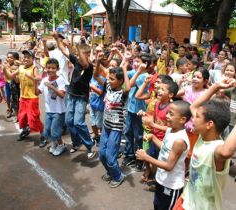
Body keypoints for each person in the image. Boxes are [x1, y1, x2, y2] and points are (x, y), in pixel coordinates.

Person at [173, 78, 236, 210]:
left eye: (197, 117)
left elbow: (226, 152)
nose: (192, 118)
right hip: (186, 200)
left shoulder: (216, 149)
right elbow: (193, 106)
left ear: (209, 125)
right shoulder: (202, 136)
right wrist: (216, 86)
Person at [136, 100, 191, 210]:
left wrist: (146, 157)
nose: (167, 116)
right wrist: (153, 137)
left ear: (182, 119)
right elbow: (165, 148)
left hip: (171, 186)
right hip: (161, 180)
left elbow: (169, 166)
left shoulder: (179, 141)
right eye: (167, 113)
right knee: (157, 205)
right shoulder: (171, 130)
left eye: (171, 114)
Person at [54, 32, 96, 159]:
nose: (78, 57)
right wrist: (57, 39)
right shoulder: (76, 61)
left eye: (81, 55)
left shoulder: (89, 67)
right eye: (78, 55)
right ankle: (76, 143)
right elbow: (62, 50)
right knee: (68, 121)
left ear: (88, 55)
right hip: (71, 96)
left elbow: (84, 62)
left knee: (78, 122)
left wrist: (77, 46)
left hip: (81, 98)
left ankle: (89, 146)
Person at [94, 52, 131, 188]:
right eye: (109, 78)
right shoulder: (108, 86)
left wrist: (125, 70)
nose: (109, 80)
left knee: (110, 156)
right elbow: (96, 76)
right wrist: (98, 62)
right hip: (106, 126)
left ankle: (118, 175)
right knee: (102, 155)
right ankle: (111, 171)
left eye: (112, 79)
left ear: (120, 81)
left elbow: (128, 88)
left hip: (116, 128)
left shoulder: (122, 93)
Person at [3, 50, 44, 144]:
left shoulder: (34, 68)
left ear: (32, 59)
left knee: (34, 118)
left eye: (28, 57)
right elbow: (9, 77)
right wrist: (5, 69)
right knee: (22, 117)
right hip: (23, 98)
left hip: (32, 98)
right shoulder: (21, 68)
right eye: (24, 57)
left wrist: (32, 78)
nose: (26, 59)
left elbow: (39, 77)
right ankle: (25, 130)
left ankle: (43, 135)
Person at [35, 58, 67, 156]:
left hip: (59, 111)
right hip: (49, 110)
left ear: (57, 69)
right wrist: (34, 82)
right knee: (47, 131)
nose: (51, 70)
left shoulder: (60, 79)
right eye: (49, 68)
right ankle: (55, 144)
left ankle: (61, 145)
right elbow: (36, 93)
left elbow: (62, 95)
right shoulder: (44, 80)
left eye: (53, 68)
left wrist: (52, 87)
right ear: (46, 68)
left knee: (55, 131)